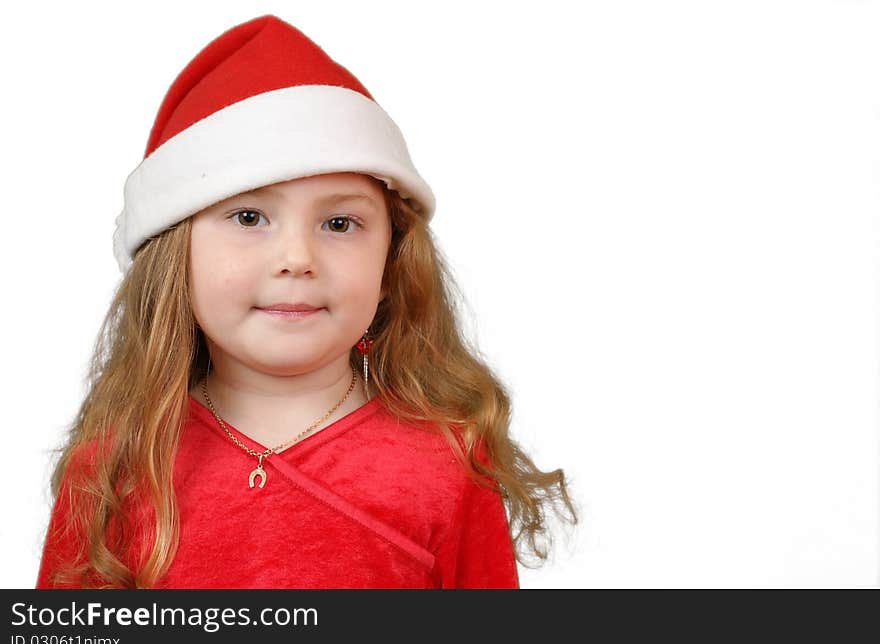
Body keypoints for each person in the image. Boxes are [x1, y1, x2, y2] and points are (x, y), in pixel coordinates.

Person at [35, 14, 578, 589]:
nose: (297, 257)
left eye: (340, 223)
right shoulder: (112, 466)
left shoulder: (450, 464)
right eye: (249, 217)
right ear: (175, 259)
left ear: (392, 264)